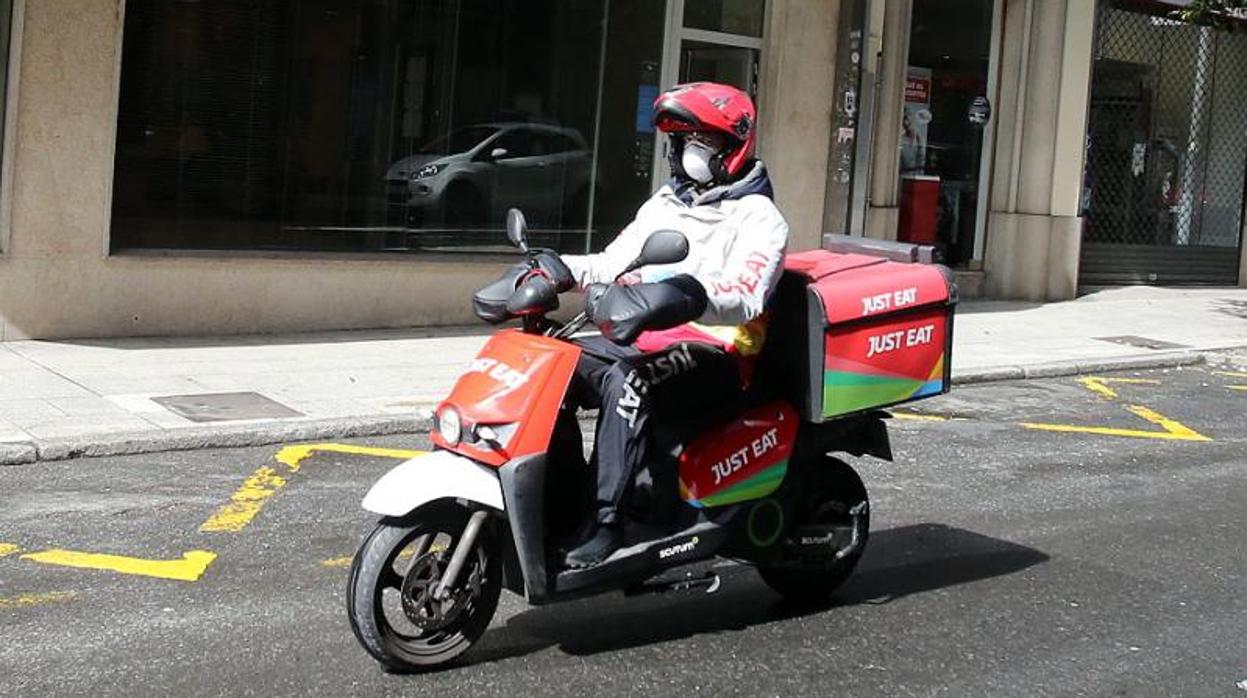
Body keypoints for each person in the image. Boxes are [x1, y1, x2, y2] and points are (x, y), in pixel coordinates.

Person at [479, 82, 790, 568]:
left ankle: (610, 521)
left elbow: (746, 297)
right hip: (643, 338)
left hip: (717, 354)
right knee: (550, 367)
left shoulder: (760, 219)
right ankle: (564, 502)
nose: (687, 153)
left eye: (700, 141)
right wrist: (556, 268)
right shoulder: (667, 203)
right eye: (682, 141)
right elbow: (612, 262)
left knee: (630, 382)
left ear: (733, 146)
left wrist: (682, 296)